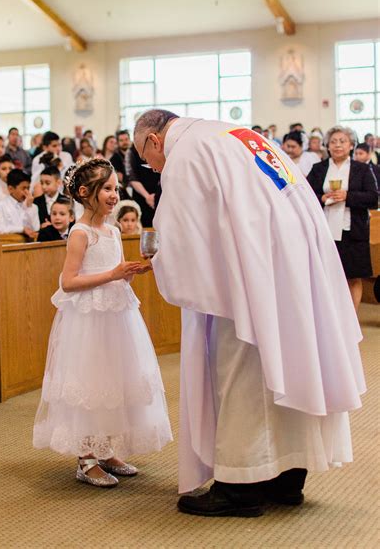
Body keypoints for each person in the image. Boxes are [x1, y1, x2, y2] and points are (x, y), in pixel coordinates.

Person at [133, 109, 365, 517]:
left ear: (154, 139)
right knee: (295, 358)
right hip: (295, 262)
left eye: (147, 158)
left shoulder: (187, 150)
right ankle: (288, 476)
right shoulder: (237, 134)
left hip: (253, 273)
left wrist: (160, 259)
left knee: (241, 368)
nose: (153, 168)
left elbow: (180, 233)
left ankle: (240, 487)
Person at [33, 159, 172, 487]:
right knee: (91, 381)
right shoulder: (79, 233)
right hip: (88, 320)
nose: (114, 194)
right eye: (107, 189)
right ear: (85, 193)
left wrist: (132, 272)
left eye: (115, 188)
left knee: (115, 380)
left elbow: (116, 272)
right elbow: (68, 282)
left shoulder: (111, 231)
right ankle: (86, 457)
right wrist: (112, 274)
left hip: (117, 316)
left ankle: (106, 448)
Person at [307, 126, 378, 312]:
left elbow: (373, 198)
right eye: (333, 142)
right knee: (326, 275)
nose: (338, 145)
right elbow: (306, 196)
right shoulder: (318, 168)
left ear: (351, 145)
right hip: (324, 231)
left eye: (342, 141)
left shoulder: (361, 169)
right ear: (327, 146)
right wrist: (321, 198)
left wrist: (348, 196)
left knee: (353, 276)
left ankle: (351, 319)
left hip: (352, 230)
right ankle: (331, 316)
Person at [0, 169, 39, 238]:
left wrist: (29, 207)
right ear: (10, 189)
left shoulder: (33, 207)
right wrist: (22, 229)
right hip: (8, 244)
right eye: (23, 188)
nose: (27, 192)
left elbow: (35, 229)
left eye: (28, 188)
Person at [125, 142, 160, 227]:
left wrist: (157, 194)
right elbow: (132, 177)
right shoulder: (131, 152)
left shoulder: (158, 148)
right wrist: (147, 196)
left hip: (158, 194)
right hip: (141, 196)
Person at [110, 130, 132, 200]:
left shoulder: (136, 154)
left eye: (126, 139)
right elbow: (119, 177)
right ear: (118, 142)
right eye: (121, 140)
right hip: (124, 189)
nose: (124, 142)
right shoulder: (115, 158)